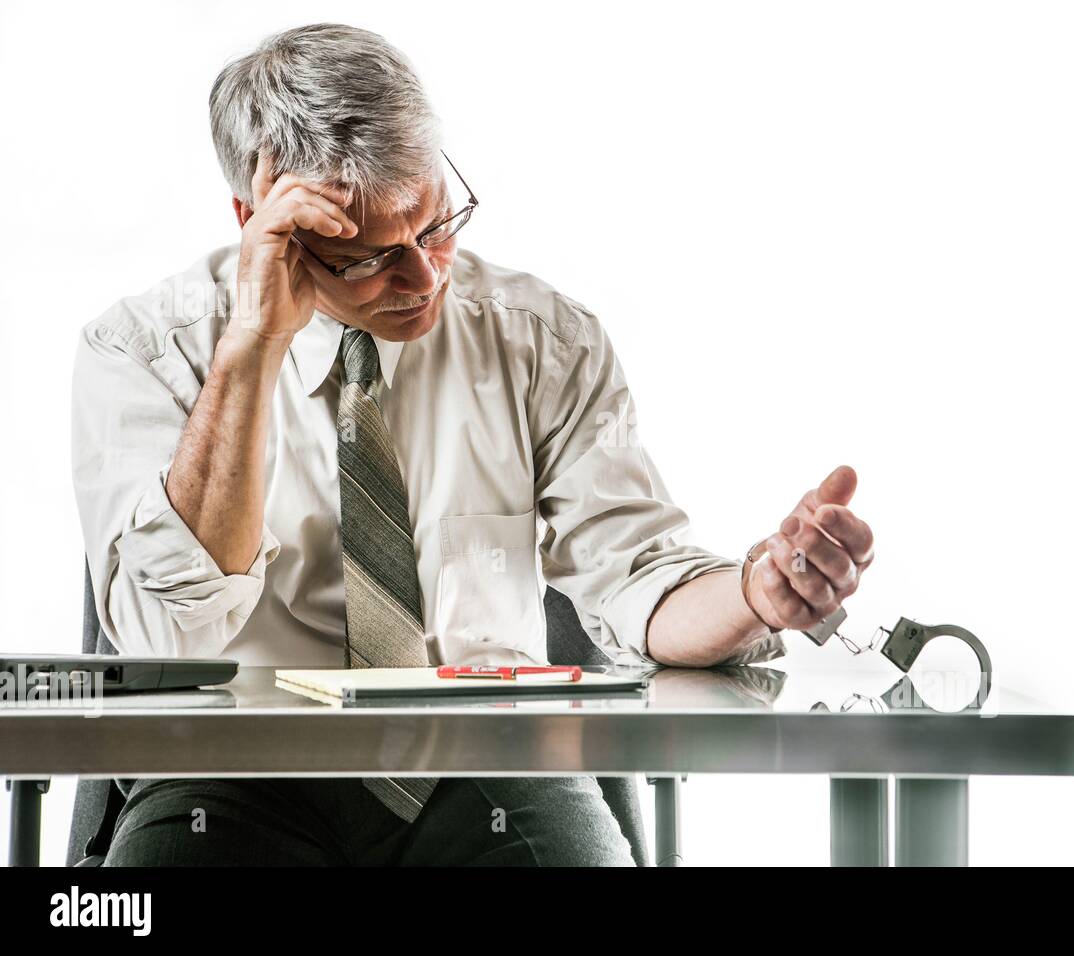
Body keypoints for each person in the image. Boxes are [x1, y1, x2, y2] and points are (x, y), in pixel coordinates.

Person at [70, 23, 875, 866]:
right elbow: (166, 641)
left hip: (488, 756)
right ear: (258, 226)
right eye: (372, 258)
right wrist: (251, 347)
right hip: (231, 766)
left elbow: (637, 581)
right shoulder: (141, 351)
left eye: (436, 224)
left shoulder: (542, 341)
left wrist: (758, 593)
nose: (426, 279)